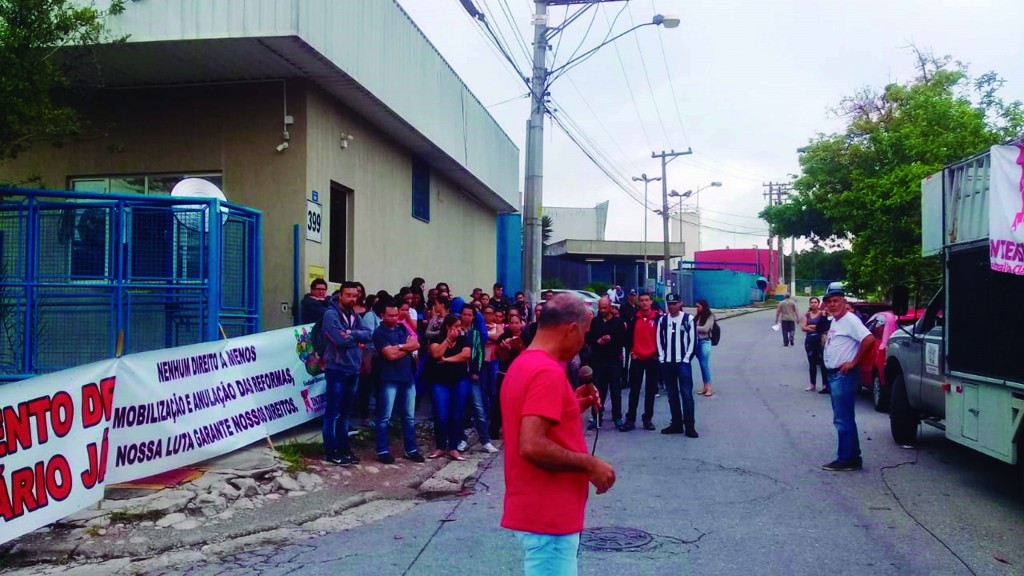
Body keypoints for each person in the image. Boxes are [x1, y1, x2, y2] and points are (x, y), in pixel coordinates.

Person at [500, 293, 615, 575]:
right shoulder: (546, 372)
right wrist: (590, 464)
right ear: (571, 329)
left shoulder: (525, 364)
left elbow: (533, 421)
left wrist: (572, 405)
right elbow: (532, 444)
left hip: (541, 511)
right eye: (584, 333)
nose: (583, 342)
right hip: (549, 515)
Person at [820, 287, 876, 471]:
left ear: (844, 302)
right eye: (829, 302)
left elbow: (869, 339)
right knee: (843, 417)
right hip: (834, 375)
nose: (832, 305)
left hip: (843, 376)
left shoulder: (850, 320)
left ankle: (847, 459)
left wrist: (853, 362)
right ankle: (852, 456)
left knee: (842, 419)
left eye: (836, 301)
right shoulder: (836, 321)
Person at [321, 282, 374, 466]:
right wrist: (356, 338)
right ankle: (331, 451)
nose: (352, 298)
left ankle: (344, 449)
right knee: (333, 413)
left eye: (355, 295)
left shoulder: (353, 315)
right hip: (336, 369)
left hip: (353, 369)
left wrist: (351, 333)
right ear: (340, 295)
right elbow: (339, 340)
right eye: (348, 295)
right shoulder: (331, 314)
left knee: (345, 413)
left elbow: (369, 334)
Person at [371, 301, 426, 464]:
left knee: (409, 417)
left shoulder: (402, 327)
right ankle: (382, 450)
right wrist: (406, 347)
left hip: (407, 377)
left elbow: (416, 344)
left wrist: (399, 347)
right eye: (391, 316)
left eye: (396, 315)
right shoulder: (379, 333)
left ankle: (411, 449)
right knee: (384, 417)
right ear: (383, 315)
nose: (395, 318)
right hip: (389, 378)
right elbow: (390, 355)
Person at [425, 315, 472, 461]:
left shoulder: (463, 339)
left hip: (460, 379)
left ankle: (453, 447)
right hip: (439, 381)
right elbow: (436, 353)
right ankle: (440, 446)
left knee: (457, 415)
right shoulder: (436, 339)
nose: (459, 329)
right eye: (456, 326)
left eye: (460, 327)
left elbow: (466, 355)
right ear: (447, 327)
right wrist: (448, 340)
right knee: (441, 416)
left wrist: (446, 360)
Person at [454, 299, 498, 453]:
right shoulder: (456, 332)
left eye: (469, 315)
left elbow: (479, 353)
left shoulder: (476, 334)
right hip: (458, 375)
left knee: (478, 408)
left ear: (473, 317)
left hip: (472, 376)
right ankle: (460, 439)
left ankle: (485, 440)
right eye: (464, 314)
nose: (466, 317)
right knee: (459, 408)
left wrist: (476, 371)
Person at [656, 293, 699, 437]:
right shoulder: (663, 320)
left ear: (680, 303)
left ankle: (690, 426)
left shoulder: (688, 319)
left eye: (674, 303)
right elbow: (659, 340)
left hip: (682, 363)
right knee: (672, 395)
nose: (671, 306)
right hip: (668, 363)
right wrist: (662, 359)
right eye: (669, 304)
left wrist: (686, 359)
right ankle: (676, 424)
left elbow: (693, 341)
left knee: (687, 395)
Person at [620, 292, 660, 432]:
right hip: (637, 358)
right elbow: (627, 337)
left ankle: (647, 419)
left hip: (652, 359)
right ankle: (630, 419)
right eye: (641, 300)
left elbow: (662, 338)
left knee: (650, 391)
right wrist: (632, 352)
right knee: (634, 391)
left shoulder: (658, 318)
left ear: (651, 302)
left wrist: (658, 354)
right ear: (638, 302)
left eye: (646, 300)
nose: (644, 303)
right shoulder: (634, 318)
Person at [585, 296, 627, 429]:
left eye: (605, 308)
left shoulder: (618, 322)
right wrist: (598, 341)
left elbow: (623, 340)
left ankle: (617, 417)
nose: (602, 310)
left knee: (615, 391)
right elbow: (589, 338)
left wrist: (611, 339)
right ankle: (596, 417)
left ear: (610, 307)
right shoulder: (595, 322)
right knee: (598, 391)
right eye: (600, 308)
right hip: (599, 361)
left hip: (614, 361)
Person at [493, 313, 527, 439]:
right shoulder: (504, 336)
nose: (514, 325)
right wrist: (503, 348)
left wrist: (512, 349)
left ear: (521, 324)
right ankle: (495, 429)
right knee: (500, 401)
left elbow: (526, 355)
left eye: (516, 323)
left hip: (520, 373)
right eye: (512, 323)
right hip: (504, 372)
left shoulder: (526, 337)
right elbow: (498, 354)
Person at [801, 297, 829, 392]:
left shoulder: (822, 314)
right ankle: (812, 384)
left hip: (820, 341)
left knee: (822, 363)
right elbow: (803, 327)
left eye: (815, 302)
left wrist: (811, 326)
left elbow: (824, 327)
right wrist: (816, 328)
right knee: (812, 363)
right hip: (809, 341)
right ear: (809, 304)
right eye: (812, 302)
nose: (813, 304)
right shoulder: (807, 315)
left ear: (818, 303)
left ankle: (825, 384)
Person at [694, 299, 716, 397]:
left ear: (704, 307)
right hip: (696, 342)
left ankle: (709, 388)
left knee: (704, 365)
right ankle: (705, 387)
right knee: (701, 365)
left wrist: (693, 327)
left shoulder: (710, 316)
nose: (697, 309)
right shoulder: (697, 316)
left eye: (698, 307)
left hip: (705, 342)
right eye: (696, 307)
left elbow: (705, 329)